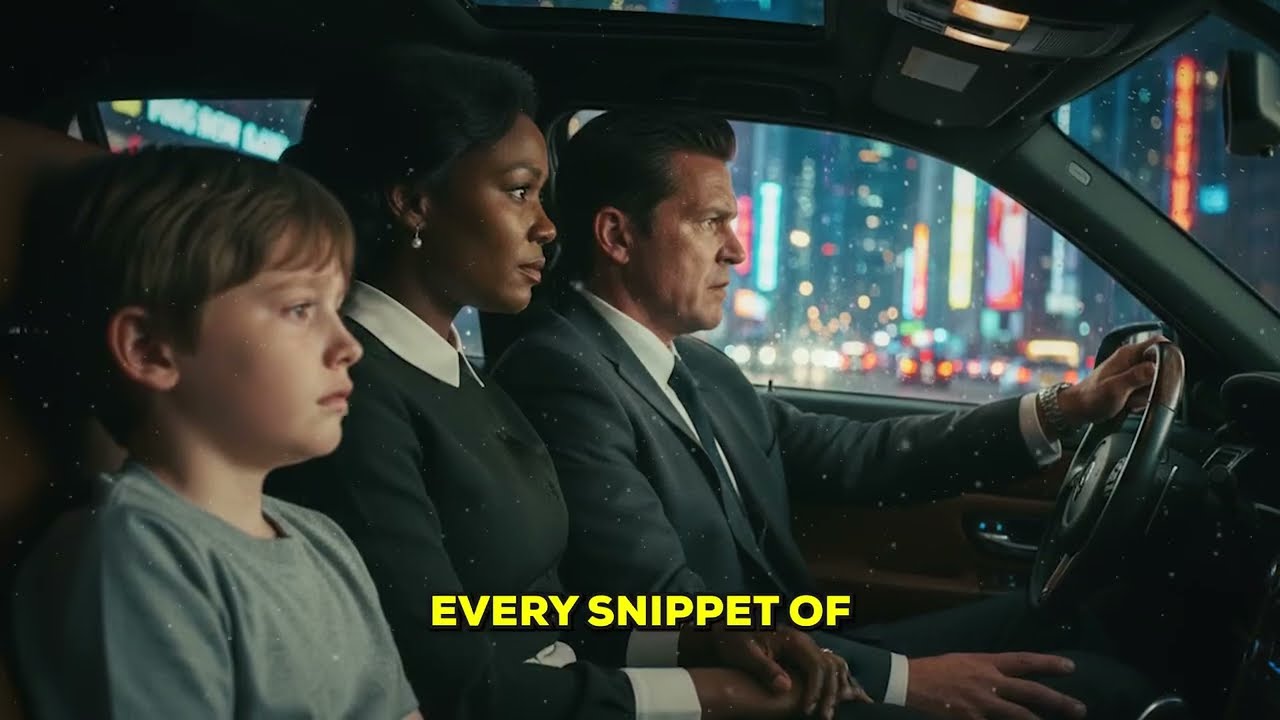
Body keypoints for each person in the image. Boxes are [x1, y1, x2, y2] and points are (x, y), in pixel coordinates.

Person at [266, 46, 916, 720]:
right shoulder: (354, 397)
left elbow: (535, 611)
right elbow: (451, 685)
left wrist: (715, 638)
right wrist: (713, 691)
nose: (547, 227)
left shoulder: (454, 375)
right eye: (519, 191)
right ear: (413, 203)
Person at [490, 109, 1164, 720]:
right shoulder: (562, 377)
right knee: (1108, 697)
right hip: (745, 691)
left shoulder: (699, 367)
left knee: (1063, 619)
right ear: (617, 235)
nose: (736, 249)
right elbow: (661, 614)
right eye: (709, 222)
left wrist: (1065, 408)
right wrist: (906, 681)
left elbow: (862, 456)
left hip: (807, 658)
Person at [5, 146, 423, 719]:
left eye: (338, 308)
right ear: (150, 350)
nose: (349, 346)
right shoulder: (137, 554)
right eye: (300, 309)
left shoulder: (323, 540)